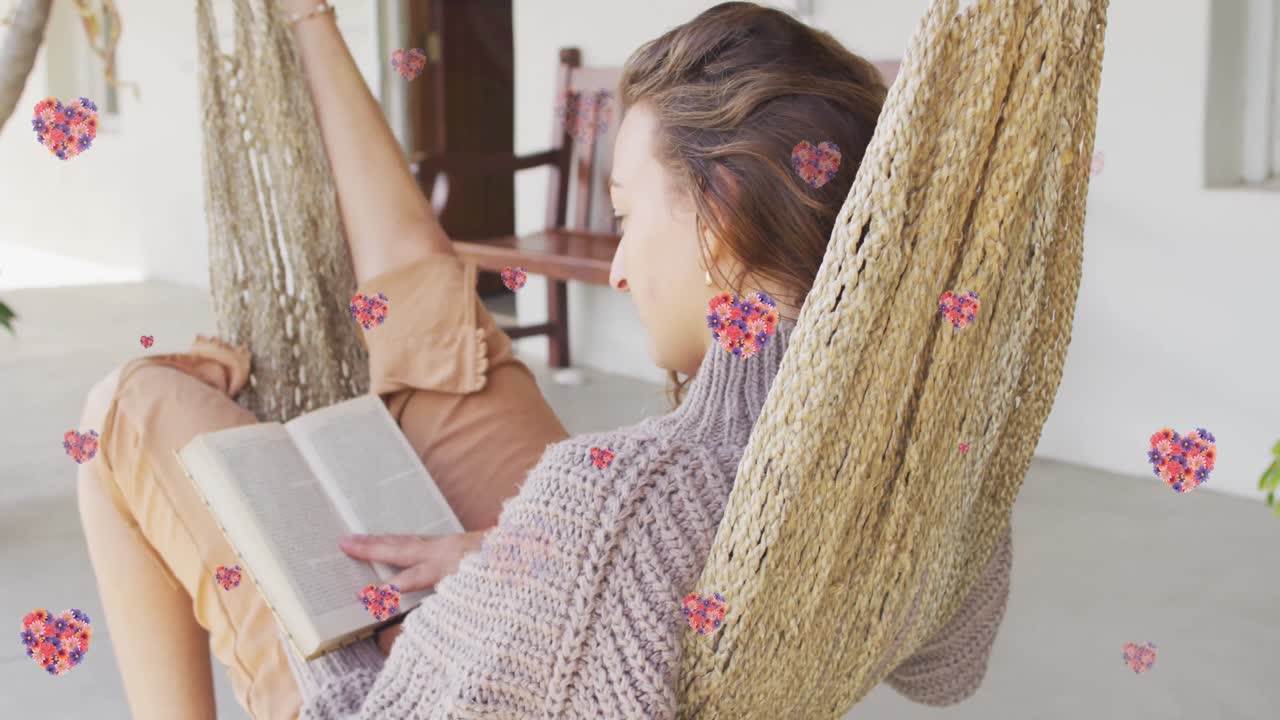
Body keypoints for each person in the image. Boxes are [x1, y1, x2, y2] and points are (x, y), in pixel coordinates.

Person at [75, 2, 1014, 719]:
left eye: (625, 215)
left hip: (397, 686)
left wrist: (339, 610)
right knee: (434, 315)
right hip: (577, 594)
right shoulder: (935, 449)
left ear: (721, 217)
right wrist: (512, 562)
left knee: (126, 404)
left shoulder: (618, 502)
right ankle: (308, 16)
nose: (617, 267)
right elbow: (950, 665)